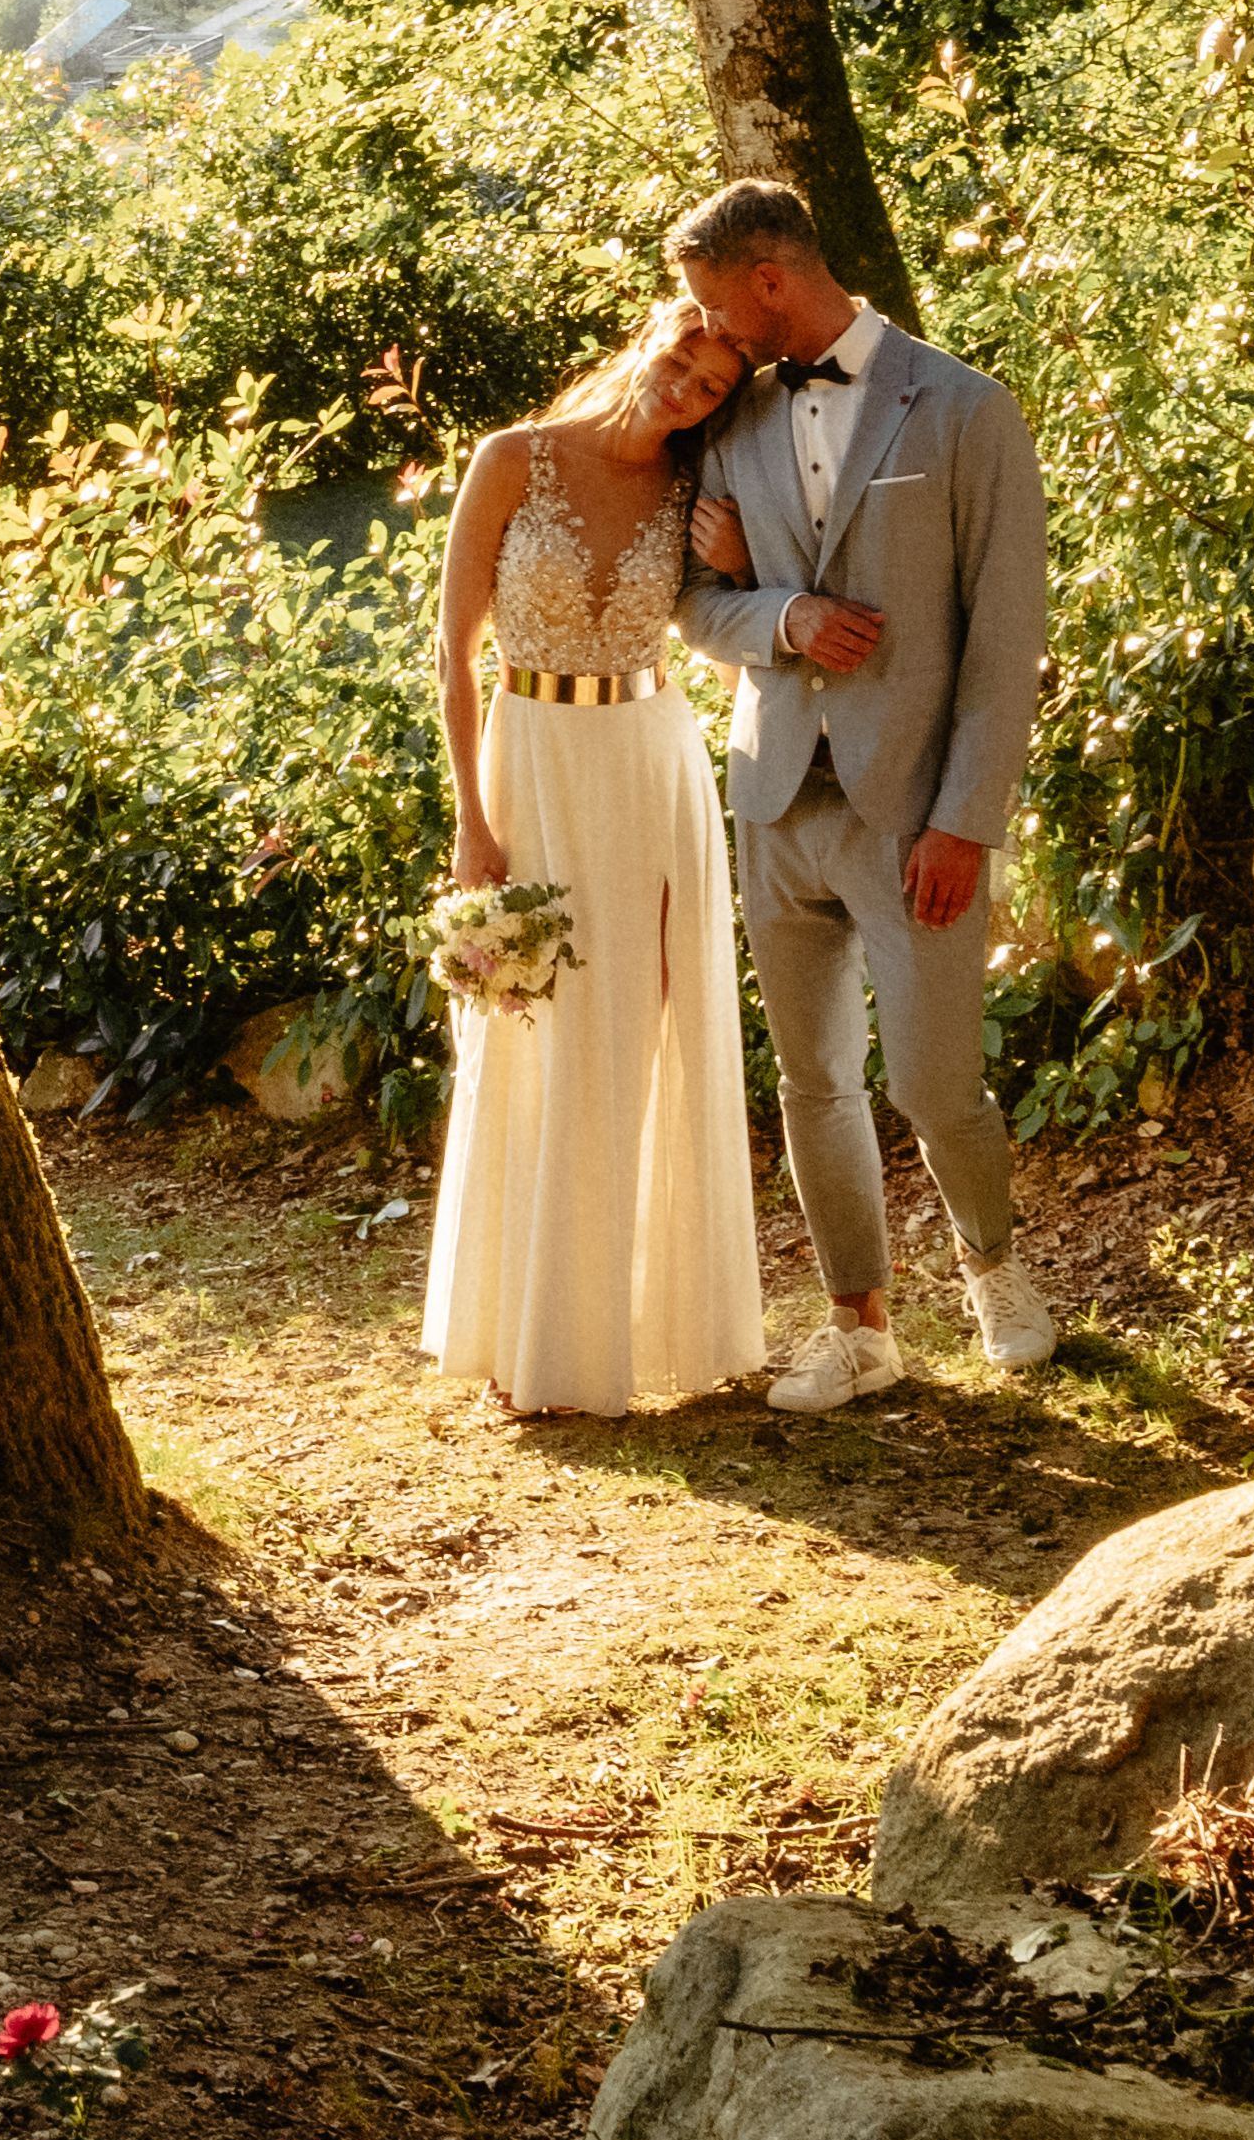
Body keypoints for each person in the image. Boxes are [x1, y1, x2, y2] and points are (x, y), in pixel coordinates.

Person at [666, 178, 1060, 1404]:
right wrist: (780, 613)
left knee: (934, 1079)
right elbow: (689, 602)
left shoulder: (964, 407)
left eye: (718, 306)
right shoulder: (724, 425)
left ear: (771, 278)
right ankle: (859, 1324)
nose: (712, 332)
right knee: (812, 1078)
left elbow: (1006, 643)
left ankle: (993, 1268)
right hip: (774, 797)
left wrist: (964, 820)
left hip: (913, 813)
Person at [414, 298, 763, 1420]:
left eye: (710, 387)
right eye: (678, 363)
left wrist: (740, 557)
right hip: (532, 760)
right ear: (647, 342)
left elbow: (725, 635)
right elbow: (453, 655)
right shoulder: (512, 460)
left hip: (651, 759)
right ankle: (532, 1342)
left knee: (648, 1023)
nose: (685, 391)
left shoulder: (694, 491)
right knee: (541, 1032)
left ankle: (645, 1328)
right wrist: (472, 819)